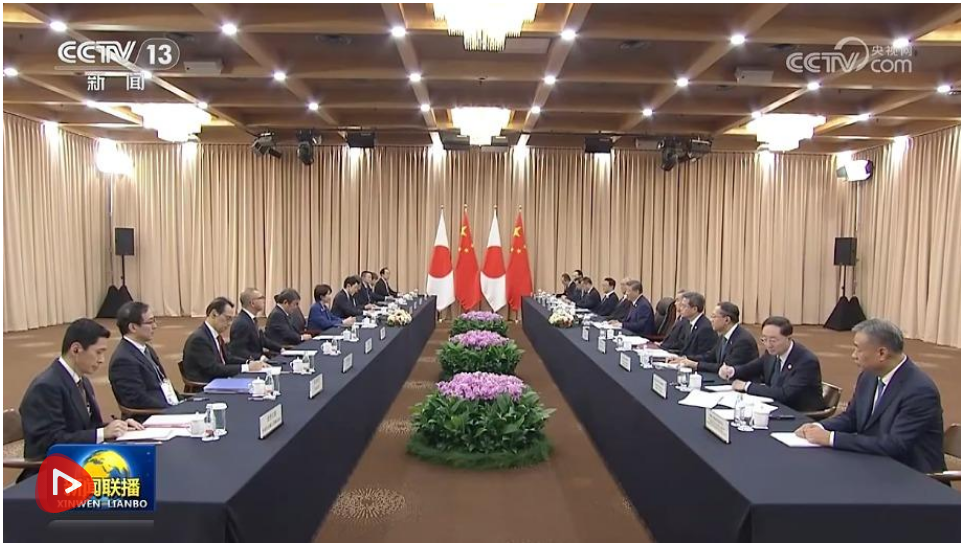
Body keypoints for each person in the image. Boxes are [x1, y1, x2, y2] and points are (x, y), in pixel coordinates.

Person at [795, 319, 945, 473]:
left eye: (858, 349)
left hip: (911, 473)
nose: (853, 355)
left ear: (882, 353)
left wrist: (831, 438)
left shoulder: (919, 391)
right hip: (872, 460)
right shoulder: (868, 376)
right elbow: (852, 417)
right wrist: (820, 427)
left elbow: (896, 444)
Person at [19, 319, 144, 476]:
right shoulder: (46, 387)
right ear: (76, 349)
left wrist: (119, 426)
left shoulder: (81, 380)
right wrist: (102, 433)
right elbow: (51, 443)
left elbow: (88, 426)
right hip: (51, 474)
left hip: (80, 461)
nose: (102, 360)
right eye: (98, 352)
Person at [721, 316, 823, 411]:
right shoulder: (772, 353)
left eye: (773, 340)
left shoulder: (806, 362)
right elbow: (754, 367)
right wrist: (732, 371)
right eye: (764, 339)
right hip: (775, 406)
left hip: (799, 412)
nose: (768, 345)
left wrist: (747, 386)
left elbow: (785, 394)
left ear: (788, 338)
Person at [108, 301, 179, 415]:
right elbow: (137, 400)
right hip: (149, 416)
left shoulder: (146, 349)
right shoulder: (123, 360)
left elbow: (162, 382)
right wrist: (173, 408)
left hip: (166, 405)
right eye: (150, 322)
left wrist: (182, 401)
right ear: (133, 327)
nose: (155, 326)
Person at [182, 297, 270, 383]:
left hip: (220, 379)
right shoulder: (199, 339)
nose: (230, 323)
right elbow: (214, 369)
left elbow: (227, 358)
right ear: (214, 314)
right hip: (206, 385)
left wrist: (249, 362)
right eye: (228, 318)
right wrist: (247, 368)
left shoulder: (215, 336)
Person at [675, 301, 758, 374]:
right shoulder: (723, 336)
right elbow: (710, 356)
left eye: (714, 316)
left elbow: (726, 368)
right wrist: (685, 359)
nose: (711, 320)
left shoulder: (743, 341)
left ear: (727, 320)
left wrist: (696, 365)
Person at [228, 288, 282, 362]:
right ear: (252, 303)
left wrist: (281, 349)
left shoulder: (252, 319)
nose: (264, 300)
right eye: (261, 298)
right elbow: (238, 351)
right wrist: (259, 358)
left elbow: (262, 340)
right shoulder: (241, 323)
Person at [665, 291, 716, 357]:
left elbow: (704, 355)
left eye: (684, 306)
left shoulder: (705, 328)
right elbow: (683, 348)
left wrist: (685, 359)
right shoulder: (687, 323)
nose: (680, 308)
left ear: (694, 309)